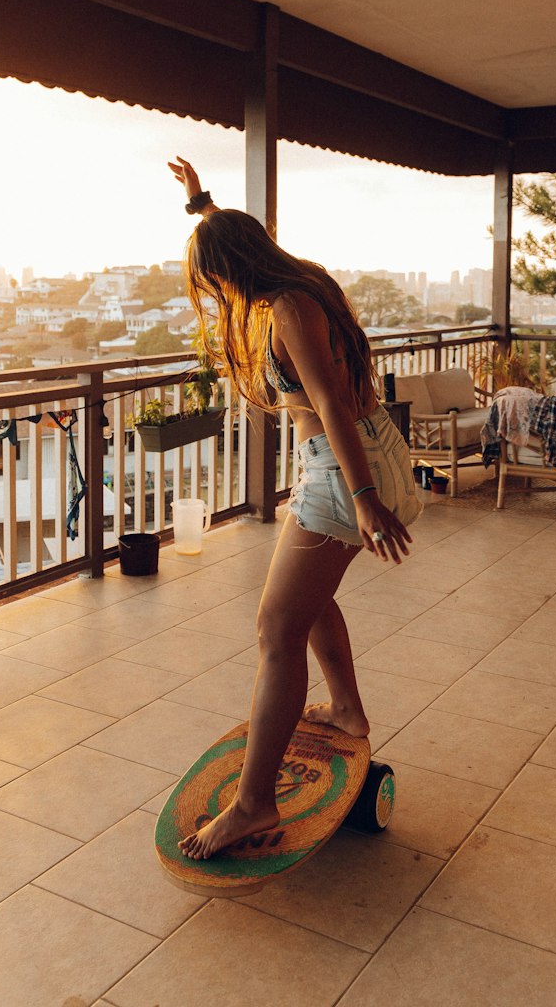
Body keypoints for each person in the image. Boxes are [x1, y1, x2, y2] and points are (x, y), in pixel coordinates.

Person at [168, 156, 420, 860]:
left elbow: (333, 402)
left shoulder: (285, 310)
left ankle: (253, 804)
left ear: (229, 271)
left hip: (342, 474)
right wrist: (201, 203)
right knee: (306, 604)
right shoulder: (304, 281)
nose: (214, 292)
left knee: (276, 630)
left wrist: (365, 499)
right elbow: (343, 398)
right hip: (361, 458)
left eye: (211, 280)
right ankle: (344, 707)